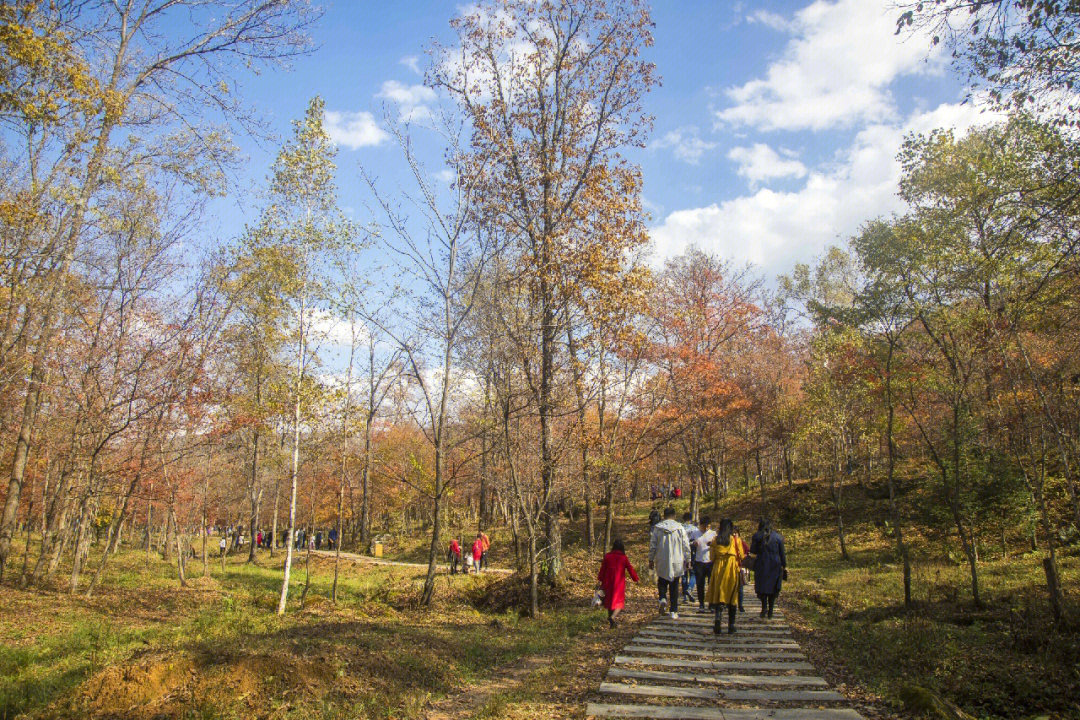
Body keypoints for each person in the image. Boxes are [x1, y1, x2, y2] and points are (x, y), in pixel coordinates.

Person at [649, 506, 691, 619]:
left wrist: (651, 559)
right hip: (677, 560)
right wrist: (688, 560)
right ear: (674, 516)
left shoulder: (657, 528)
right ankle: (674, 611)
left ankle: (662, 598)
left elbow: (653, 545)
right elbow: (686, 545)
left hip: (662, 559)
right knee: (674, 585)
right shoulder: (680, 528)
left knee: (662, 581)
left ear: (664, 516)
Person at [706, 518, 745, 635]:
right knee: (732, 596)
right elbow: (741, 556)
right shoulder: (736, 540)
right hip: (731, 570)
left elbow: (711, 558)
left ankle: (717, 621)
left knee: (718, 595)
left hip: (718, 569)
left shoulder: (715, 540)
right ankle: (731, 626)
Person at [596, 539, 639, 628]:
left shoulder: (607, 556)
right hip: (618, 583)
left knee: (609, 601)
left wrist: (600, 579)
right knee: (619, 602)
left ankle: (611, 623)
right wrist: (636, 579)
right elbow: (630, 569)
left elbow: (602, 569)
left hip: (607, 582)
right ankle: (612, 617)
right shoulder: (623, 558)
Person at [750, 518, 787, 619]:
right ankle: (771, 610)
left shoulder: (756, 536)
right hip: (775, 565)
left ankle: (764, 608)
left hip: (761, 565)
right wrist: (784, 565)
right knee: (773, 589)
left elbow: (753, 551)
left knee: (762, 588)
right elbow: (782, 553)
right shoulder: (778, 537)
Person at [692, 515, 716, 612]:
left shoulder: (713, 534)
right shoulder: (695, 533)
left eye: (708, 526)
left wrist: (713, 544)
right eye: (704, 526)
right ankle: (701, 604)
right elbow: (689, 544)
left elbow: (718, 546)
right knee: (700, 584)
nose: (706, 528)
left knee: (711, 584)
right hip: (699, 561)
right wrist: (694, 544)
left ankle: (711, 604)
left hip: (710, 562)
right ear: (700, 525)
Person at [681, 512, 699, 605]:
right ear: (691, 519)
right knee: (693, 573)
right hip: (692, 552)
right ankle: (690, 588)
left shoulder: (680, 528)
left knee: (683, 575)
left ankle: (685, 596)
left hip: (681, 553)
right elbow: (697, 541)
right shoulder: (694, 529)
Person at [732, 524, 750, 612]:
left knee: (740, 587)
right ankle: (730, 604)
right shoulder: (728, 542)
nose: (735, 535)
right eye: (733, 533)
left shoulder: (742, 542)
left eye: (736, 533)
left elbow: (747, 551)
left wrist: (744, 556)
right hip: (731, 567)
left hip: (740, 566)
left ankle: (740, 605)